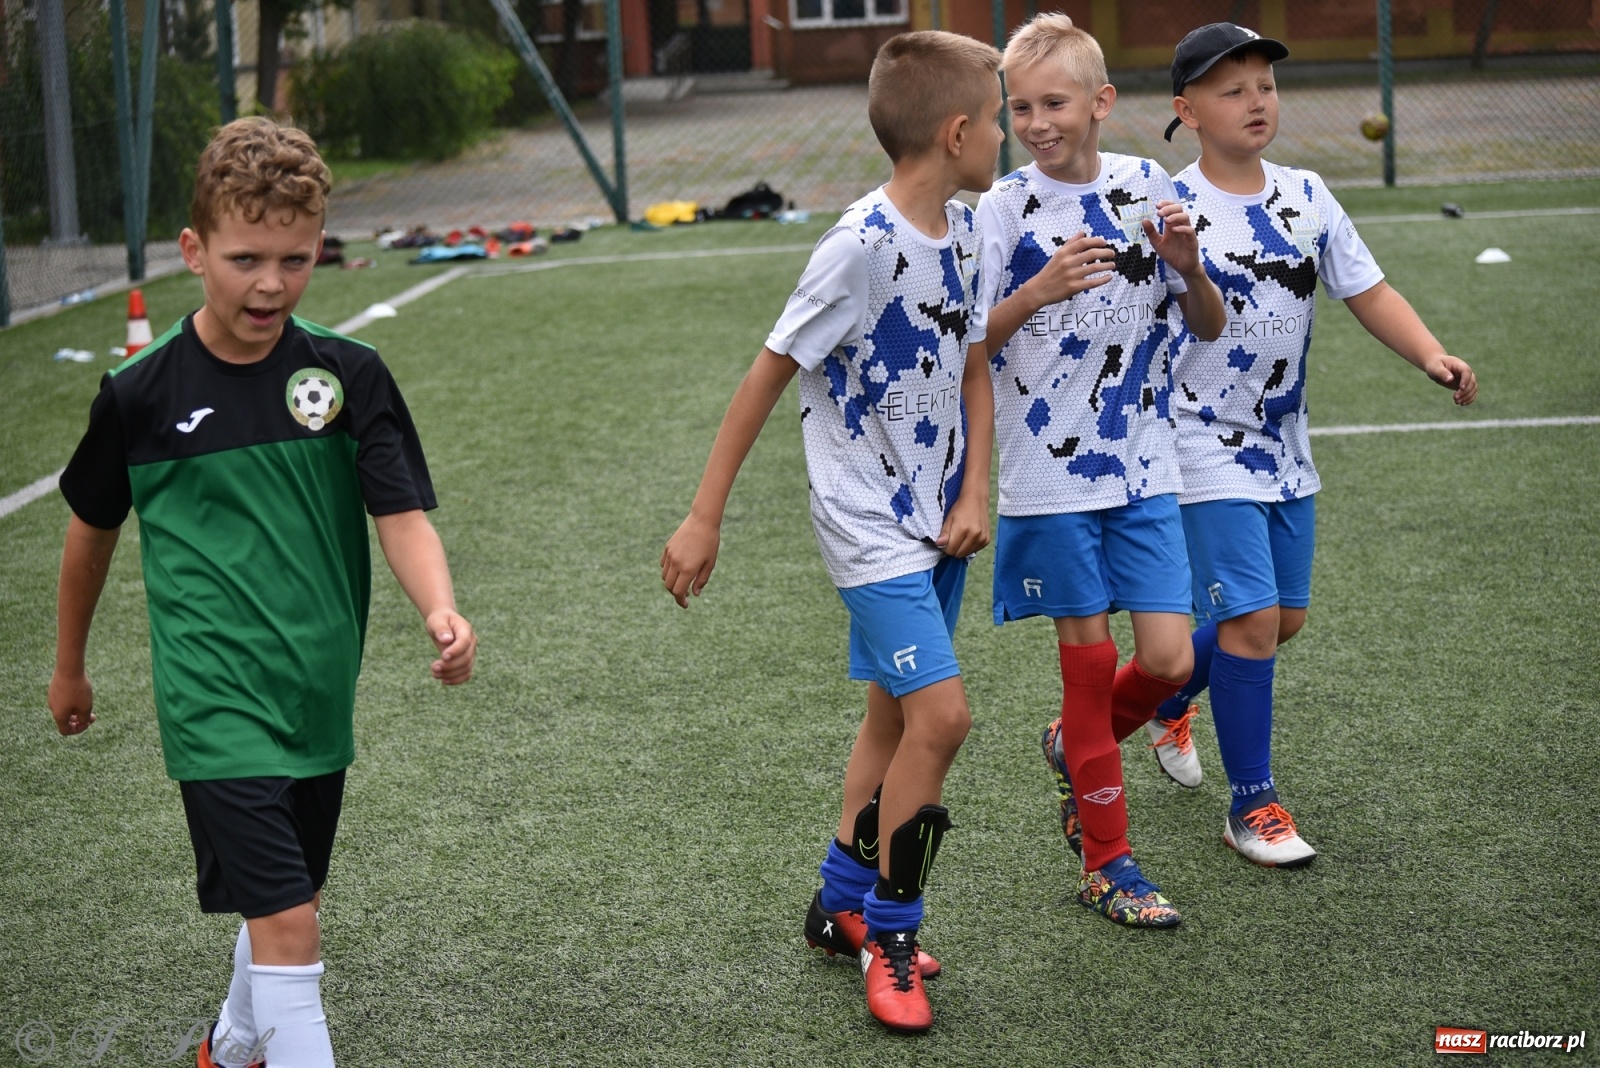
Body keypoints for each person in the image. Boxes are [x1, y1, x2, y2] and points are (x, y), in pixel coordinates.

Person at [48, 117, 477, 1068]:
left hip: (317, 692)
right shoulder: (140, 393)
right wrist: (70, 666)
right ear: (194, 251)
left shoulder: (347, 374)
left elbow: (400, 512)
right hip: (213, 704)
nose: (272, 283)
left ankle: (231, 1046)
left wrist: (437, 604)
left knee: (294, 899)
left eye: (296, 258)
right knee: (291, 928)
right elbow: (90, 532)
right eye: (246, 258)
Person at [661, 30, 1003, 1034]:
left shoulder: (970, 230)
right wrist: (702, 516)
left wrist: (973, 490)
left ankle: (835, 906)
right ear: (954, 131)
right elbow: (767, 370)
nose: (1004, 136)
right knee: (943, 720)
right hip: (865, 529)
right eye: (996, 118)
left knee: (891, 722)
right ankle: (893, 934)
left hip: (938, 522)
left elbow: (975, 364)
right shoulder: (855, 246)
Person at [1158, 23, 1477, 867]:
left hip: (1282, 442)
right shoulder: (1169, 209)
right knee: (1252, 619)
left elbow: (1368, 289)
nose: (1256, 100)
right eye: (1233, 90)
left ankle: (1139, 708)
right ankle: (1251, 804)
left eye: (1265, 84)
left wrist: (1429, 352)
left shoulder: (1306, 194)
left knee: (1279, 620)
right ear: (1187, 111)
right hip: (1197, 439)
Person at [975, 12, 1226, 928]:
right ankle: (1109, 864)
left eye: (1056, 102)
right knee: (1089, 673)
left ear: (1101, 103)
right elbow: (969, 341)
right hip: (1050, 480)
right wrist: (1034, 291)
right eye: (1021, 107)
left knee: (1164, 659)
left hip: (1144, 470)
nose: (1038, 121)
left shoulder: (1147, 184)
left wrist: (1191, 269)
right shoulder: (1001, 208)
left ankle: (1074, 748)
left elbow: (1206, 326)